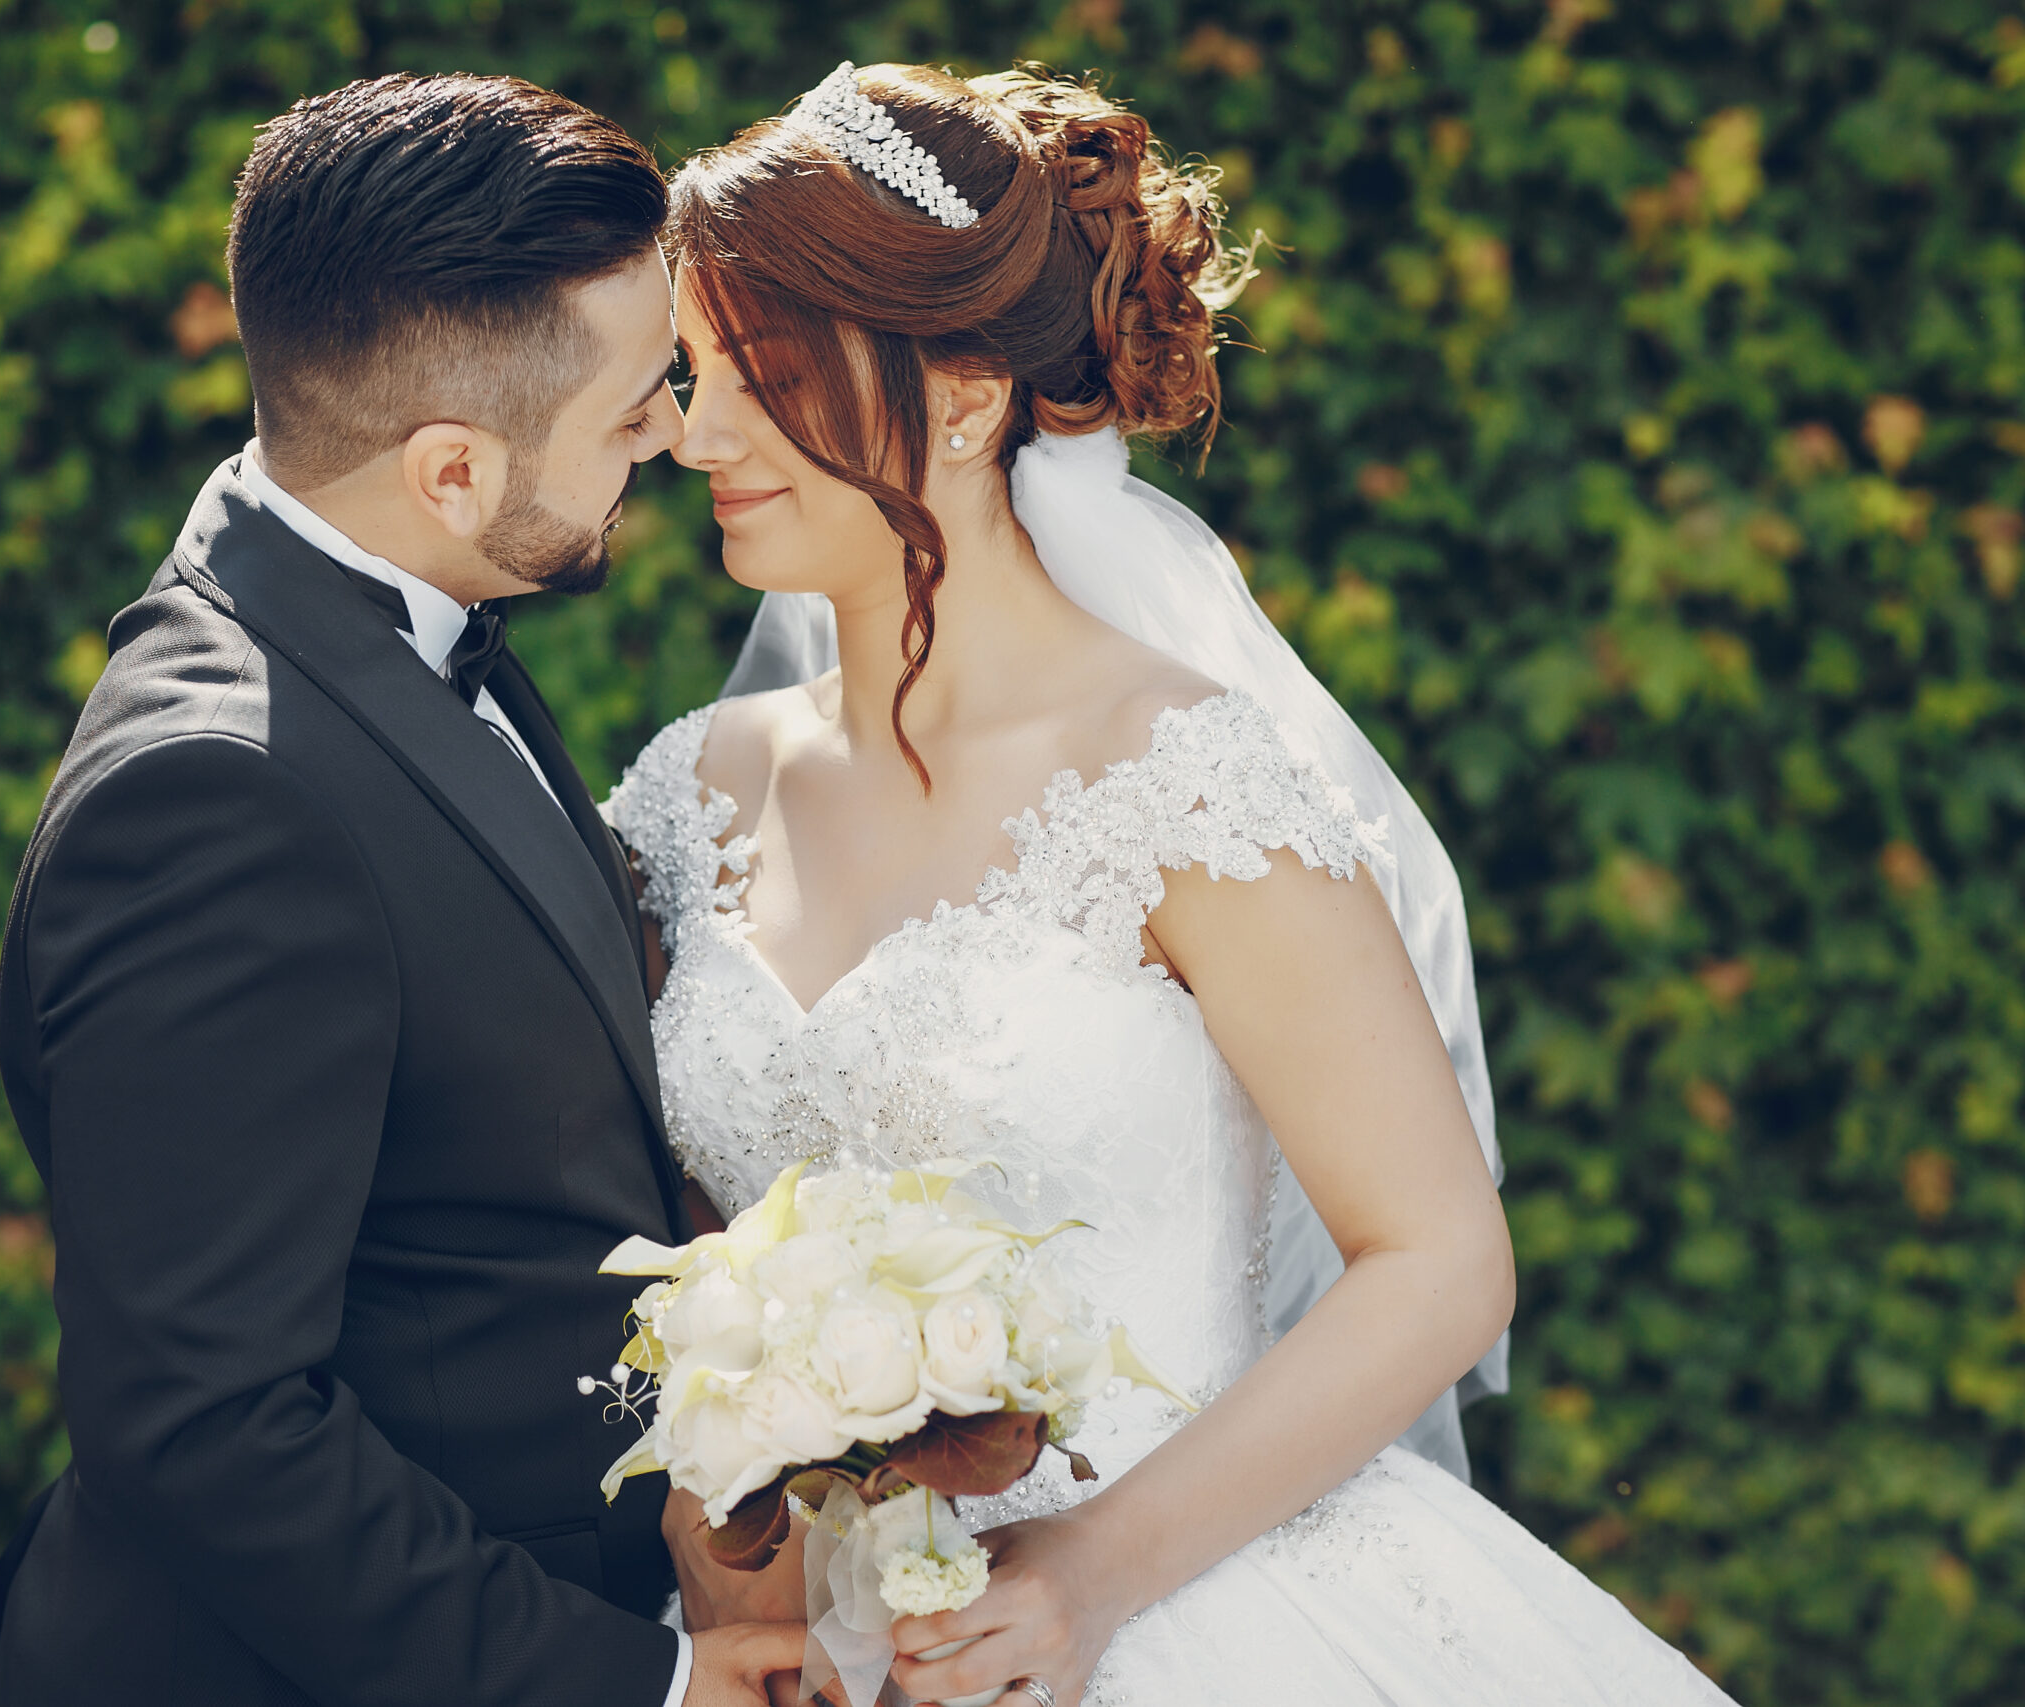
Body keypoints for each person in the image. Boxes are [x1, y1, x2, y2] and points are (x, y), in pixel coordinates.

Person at [603, 62, 1741, 1706]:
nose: (697, 433)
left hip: (1176, 1607)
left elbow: (1437, 1258)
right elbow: (688, 1227)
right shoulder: (686, 790)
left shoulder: (1182, 783)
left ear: (970, 394)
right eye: (696, 373)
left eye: (762, 378)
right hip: (800, 1650)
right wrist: (726, 1558)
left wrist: (1088, 1575)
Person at [0, 74, 800, 1707]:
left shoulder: (377, 617)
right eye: (638, 403)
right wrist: (649, 1686)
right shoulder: (218, 801)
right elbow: (207, 1430)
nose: (679, 435)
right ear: (448, 473)